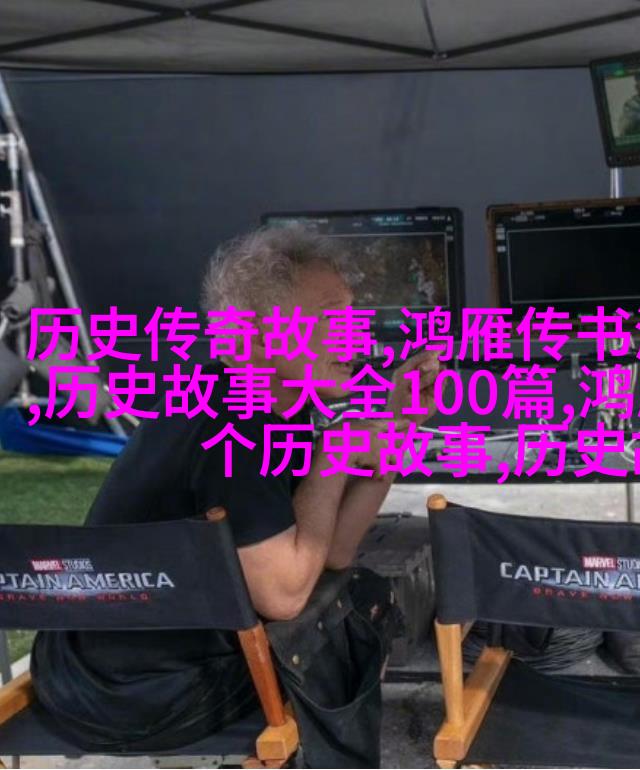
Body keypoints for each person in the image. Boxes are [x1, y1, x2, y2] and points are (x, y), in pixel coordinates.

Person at [31, 227, 439, 753]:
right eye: (329, 318)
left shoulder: (268, 401)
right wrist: (336, 451)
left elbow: (333, 550)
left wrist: (401, 423)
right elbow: (286, 594)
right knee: (352, 623)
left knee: (360, 596)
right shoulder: (231, 424)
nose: (356, 335)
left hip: (101, 668)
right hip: (135, 693)